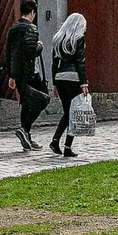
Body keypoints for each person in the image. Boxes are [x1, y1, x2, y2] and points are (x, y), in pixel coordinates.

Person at [4, 0, 51, 151]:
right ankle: (25, 129)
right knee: (43, 99)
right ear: (32, 12)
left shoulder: (13, 29)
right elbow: (30, 52)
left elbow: (8, 53)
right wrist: (39, 46)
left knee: (26, 103)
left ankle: (27, 136)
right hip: (31, 72)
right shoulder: (31, 28)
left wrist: (11, 75)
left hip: (18, 74)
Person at [48, 9, 91, 157]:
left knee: (67, 112)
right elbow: (80, 62)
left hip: (60, 77)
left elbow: (54, 63)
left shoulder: (57, 39)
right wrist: (84, 82)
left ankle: (55, 140)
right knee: (73, 113)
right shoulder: (78, 39)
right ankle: (67, 146)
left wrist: (54, 83)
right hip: (73, 77)